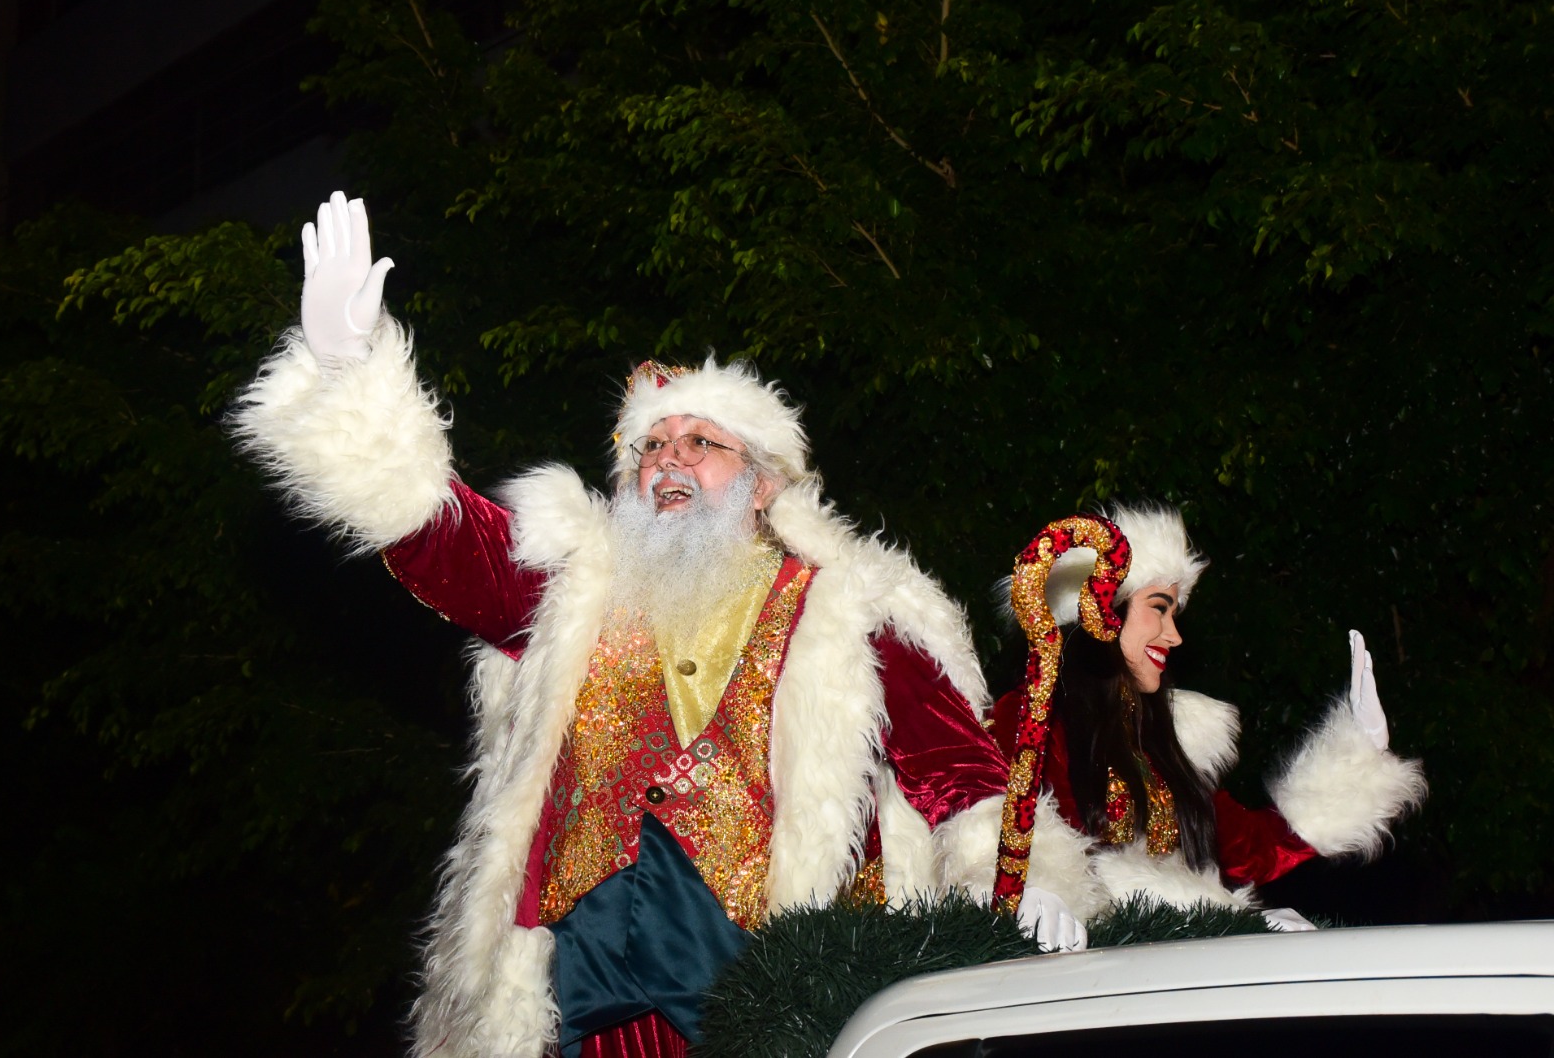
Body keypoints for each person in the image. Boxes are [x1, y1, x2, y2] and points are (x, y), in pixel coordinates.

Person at [231, 193, 1011, 1058]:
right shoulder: (576, 587)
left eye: (700, 443)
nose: (668, 458)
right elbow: (441, 534)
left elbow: (962, 777)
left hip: (762, 975)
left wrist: (1015, 888)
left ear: (761, 483)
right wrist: (351, 372)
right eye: (651, 445)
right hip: (580, 981)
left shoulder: (847, 607)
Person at [989, 505, 1427, 951]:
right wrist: (1037, 882)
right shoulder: (1026, 721)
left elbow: (1254, 846)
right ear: (1103, 608)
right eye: (1159, 608)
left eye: (1174, 614)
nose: (1174, 635)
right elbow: (992, 822)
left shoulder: (1163, 742)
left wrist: (1355, 759)